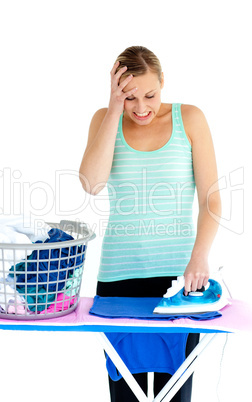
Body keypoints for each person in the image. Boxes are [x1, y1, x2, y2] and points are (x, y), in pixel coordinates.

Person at [79, 46, 221, 401]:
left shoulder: (189, 119)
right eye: (129, 97)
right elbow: (91, 183)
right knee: (125, 395)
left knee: (176, 395)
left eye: (150, 95)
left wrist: (199, 258)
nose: (141, 108)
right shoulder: (104, 119)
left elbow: (211, 199)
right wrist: (114, 110)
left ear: (163, 83)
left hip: (178, 282)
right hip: (117, 283)